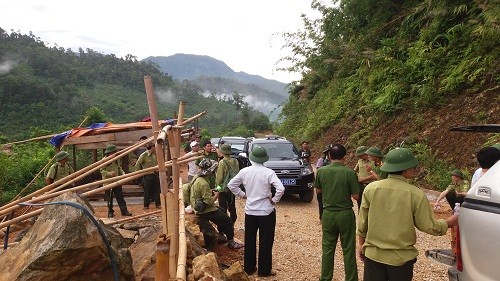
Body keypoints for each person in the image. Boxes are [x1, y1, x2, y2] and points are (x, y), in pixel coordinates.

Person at [357, 147, 458, 281]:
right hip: (401, 258)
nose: (414, 169)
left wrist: (361, 245)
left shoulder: (371, 189)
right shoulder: (415, 194)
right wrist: (449, 222)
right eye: (413, 167)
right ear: (405, 170)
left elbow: (362, 222)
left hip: (373, 255)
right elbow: (428, 226)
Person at [227, 147, 285, 277]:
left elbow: (231, 185)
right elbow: (280, 188)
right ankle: (264, 271)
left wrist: (242, 195)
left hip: (250, 211)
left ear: (251, 158)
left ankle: (249, 268)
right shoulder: (269, 172)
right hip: (266, 211)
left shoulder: (244, 171)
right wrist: (274, 200)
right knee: (266, 241)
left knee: (250, 240)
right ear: (264, 159)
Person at [315, 144, 359, 281]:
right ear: (344, 157)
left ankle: (325, 278)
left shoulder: (321, 171)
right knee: (348, 250)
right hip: (345, 214)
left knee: (328, 249)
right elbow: (356, 196)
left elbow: (318, 191)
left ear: (329, 156)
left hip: (328, 213)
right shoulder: (350, 172)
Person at [188, 159, 244, 251]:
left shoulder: (197, 178)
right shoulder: (203, 183)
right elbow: (209, 202)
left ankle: (221, 236)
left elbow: (199, 193)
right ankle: (231, 242)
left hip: (198, 206)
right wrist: (217, 194)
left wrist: (210, 191)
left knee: (222, 211)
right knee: (228, 220)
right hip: (205, 210)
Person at [100, 144, 132, 218]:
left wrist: (123, 173)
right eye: (113, 152)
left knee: (120, 196)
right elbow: (102, 171)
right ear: (109, 153)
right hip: (108, 182)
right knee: (109, 198)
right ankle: (110, 211)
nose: (114, 154)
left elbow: (119, 167)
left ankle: (124, 211)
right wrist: (109, 173)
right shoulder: (104, 160)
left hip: (117, 181)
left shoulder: (116, 159)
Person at [215, 144, 240, 225]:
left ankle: (225, 225)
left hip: (223, 188)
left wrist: (217, 188)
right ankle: (232, 222)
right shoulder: (235, 161)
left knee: (223, 207)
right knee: (232, 206)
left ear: (222, 152)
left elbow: (219, 178)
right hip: (232, 188)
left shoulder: (222, 162)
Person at [134, 142, 161, 209]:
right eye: (154, 147)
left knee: (157, 189)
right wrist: (138, 174)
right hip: (147, 175)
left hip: (155, 174)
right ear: (152, 147)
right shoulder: (143, 155)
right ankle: (146, 205)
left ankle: (158, 204)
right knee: (147, 190)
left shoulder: (155, 155)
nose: (155, 148)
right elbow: (138, 164)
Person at [353, 145, 373, 210]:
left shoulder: (373, 161)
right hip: (360, 186)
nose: (360, 157)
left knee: (369, 204)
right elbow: (354, 171)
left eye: (361, 155)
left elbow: (376, 175)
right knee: (360, 204)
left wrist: (363, 179)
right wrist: (357, 176)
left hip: (370, 185)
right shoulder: (360, 161)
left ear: (366, 153)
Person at [316, 144, 332, 221]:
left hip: (332, 184)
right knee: (321, 202)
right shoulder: (321, 160)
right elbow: (318, 171)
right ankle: (322, 217)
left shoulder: (337, 161)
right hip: (323, 184)